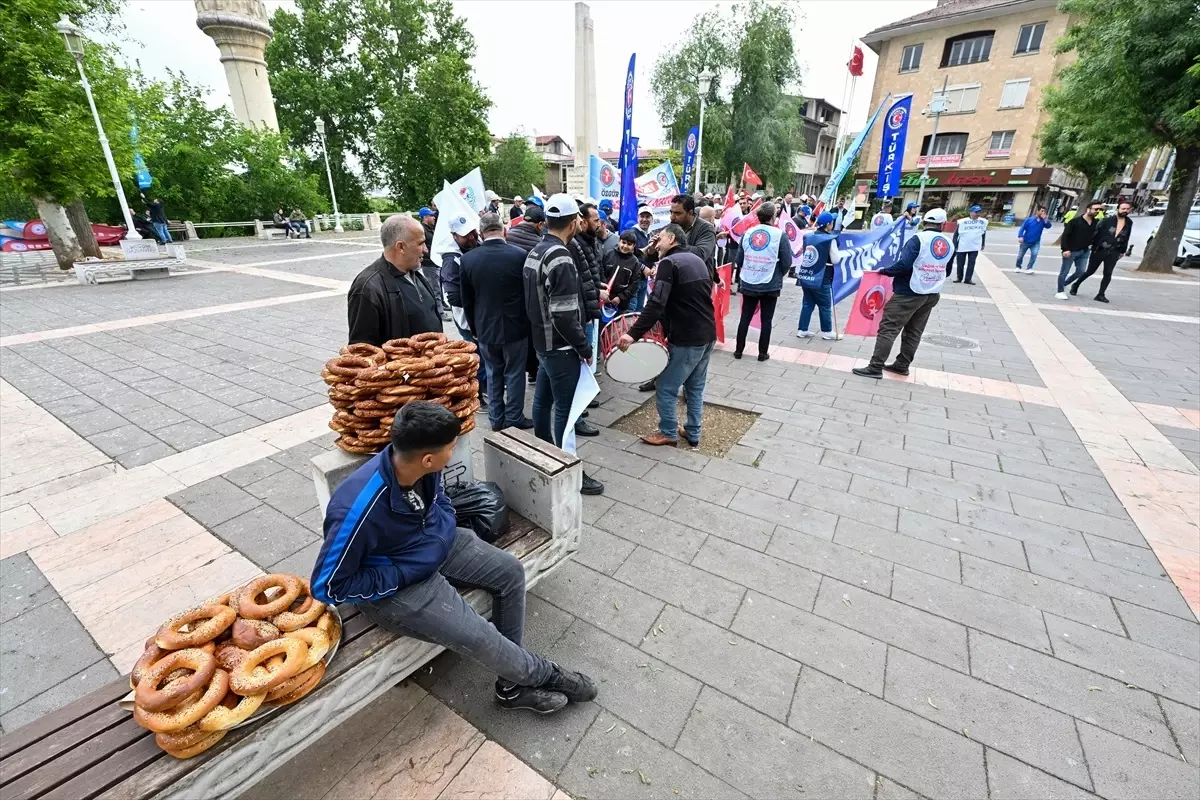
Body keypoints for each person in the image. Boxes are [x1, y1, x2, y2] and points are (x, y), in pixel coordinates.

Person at [311, 401, 597, 715]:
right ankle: (546, 674)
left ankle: (511, 687)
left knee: (510, 572)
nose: (455, 451)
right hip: (397, 584)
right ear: (429, 458)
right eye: (451, 447)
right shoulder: (357, 509)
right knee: (480, 636)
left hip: (436, 545)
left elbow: (441, 501)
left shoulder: (419, 467)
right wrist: (403, 573)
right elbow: (329, 586)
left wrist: (442, 527)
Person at [523, 194, 605, 495]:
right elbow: (565, 316)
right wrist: (584, 347)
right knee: (567, 414)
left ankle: (544, 456)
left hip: (543, 345)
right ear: (574, 223)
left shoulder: (536, 251)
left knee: (543, 402)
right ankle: (569, 472)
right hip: (559, 347)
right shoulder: (560, 256)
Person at [618, 223, 716, 448]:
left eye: (659, 238)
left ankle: (668, 431)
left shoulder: (669, 263)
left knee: (666, 385)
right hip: (708, 333)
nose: (655, 242)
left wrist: (632, 334)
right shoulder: (697, 260)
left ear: (671, 239)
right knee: (695, 386)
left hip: (687, 336)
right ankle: (692, 431)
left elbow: (656, 303)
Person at [852, 208, 955, 379]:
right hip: (931, 293)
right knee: (914, 331)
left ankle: (875, 366)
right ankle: (902, 365)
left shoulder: (918, 239)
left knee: (889, 328)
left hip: (909, 292)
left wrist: (884, 271)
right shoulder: (949, 243)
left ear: (923, 223)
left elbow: (904, 265)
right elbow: (948, 270)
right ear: (943, 224)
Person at [461, 214, 533, 431]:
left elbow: (467, 300)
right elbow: (528, 295)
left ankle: (496, 419)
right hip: (516, 326)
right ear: (504, 231)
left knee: (493, 373)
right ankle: (513, 418)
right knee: (514, 373)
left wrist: (474, 328)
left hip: (485, 328)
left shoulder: (468, 259)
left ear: (482, 233)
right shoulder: (520, 255)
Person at [347, 215, 441, 345]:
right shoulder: (368, 288)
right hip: (402, 364)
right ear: (401, 247)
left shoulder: (415, 274)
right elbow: (362, 349)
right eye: (421, 243)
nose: (426, 249)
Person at [734, 202, 792, 361]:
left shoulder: (747, 233)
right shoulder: (780, 235)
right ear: (773, 217)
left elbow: (739, 259)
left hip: (749, 280)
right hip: (770, 283)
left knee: (745, 317)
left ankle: (738, 351)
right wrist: (778, 274)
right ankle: (762, 353)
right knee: (766, 319)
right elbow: (787, 261)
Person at [441, 215, 487, 409]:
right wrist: (481, 299)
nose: (470, 237)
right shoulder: (452, 261)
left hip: (482, 315)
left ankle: (485, 389)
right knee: (478, 357)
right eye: (464, 235)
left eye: (471, 232)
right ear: (453, 236)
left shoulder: (477, 245)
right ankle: (479, 394)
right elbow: (451, 297)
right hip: (468, 318)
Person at [568, 204, 605, 435]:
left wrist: (597, 287)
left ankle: (582, 403)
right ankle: (576, 417)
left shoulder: (587, 241)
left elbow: (589, 275)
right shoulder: (572, 245)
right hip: (578, 316)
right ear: (579, 221)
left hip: (587, 309)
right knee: (580, 365)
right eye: (595, 219)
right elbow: (578, 282)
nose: (599, 223)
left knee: (584, 367)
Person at [1070, 201, 1133, 303]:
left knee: (1108, 273)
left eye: (1127, 209)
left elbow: (1127, 236)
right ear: (1118, 209)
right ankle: (1076, 285)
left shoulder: (1129, 222)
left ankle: (1101, 294)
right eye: (1123, 209)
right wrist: (1092, 244)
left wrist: (1123, 251)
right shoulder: (1107, 220)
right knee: (1090, 271)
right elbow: (1095, 232)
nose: (1125, 211)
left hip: (1114, 251)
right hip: (1100, 249)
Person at [796, 212, 843, 341]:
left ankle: (802, 329)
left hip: (807, 274)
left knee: (807, 303)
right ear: (828, 224)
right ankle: (827, 331)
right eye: (831, 222)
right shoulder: (830, 239)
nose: (832, 224)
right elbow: (835, 259)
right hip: (822, 276)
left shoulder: (808, 236)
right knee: (825, 304)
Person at [1056, 200, 1103, 299]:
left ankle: (1064, 283)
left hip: (1085, 251)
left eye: (1099, 209)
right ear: (1088, 209)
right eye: (1096, 209)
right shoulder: (1075, 222)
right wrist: (1065, 249)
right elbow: (1065, 236)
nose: (1098, 211)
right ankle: (1060, 291)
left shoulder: (1096, 223)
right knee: (1064, 271)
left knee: (1081, 271)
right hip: (1071, 251)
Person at [602, 230, 641, 312]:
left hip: (622, 304)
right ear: (619, 241)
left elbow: (634, 284)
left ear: (634, 246)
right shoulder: (609, 254)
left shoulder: (635, 262)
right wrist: (603, 292)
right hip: (603, 298)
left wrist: (620, 297)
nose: (625, 246)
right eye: (623, 242)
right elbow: (601, 273)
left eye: (629, 244)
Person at [952, 205, 987, 284]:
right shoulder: (962, 222)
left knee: (971, 263)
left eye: (979, 212)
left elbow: (983, 233)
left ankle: (968, 279)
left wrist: (983, 243)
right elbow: (956, 234)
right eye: (976, 212)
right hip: (962, 245)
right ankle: (959, 277)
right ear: (971, 212)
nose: (978, 214)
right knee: (960, 263)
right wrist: (955, 244)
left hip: (974, 246)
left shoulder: (982, 222)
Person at [1015, 206, 1052, 273]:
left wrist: (1045, 219)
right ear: (1037, 211)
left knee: (1034, 254)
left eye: (1044, 211)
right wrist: (1020, 236)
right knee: (1020, 255)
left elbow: (1048, 226)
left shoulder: (1043, 221)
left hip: (1036, 242)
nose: (1043, 213)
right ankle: (1018, 266)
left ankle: (1029, 268)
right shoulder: (1029, 220)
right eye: (1042, 211)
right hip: (1026, 241)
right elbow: (1022, 229)